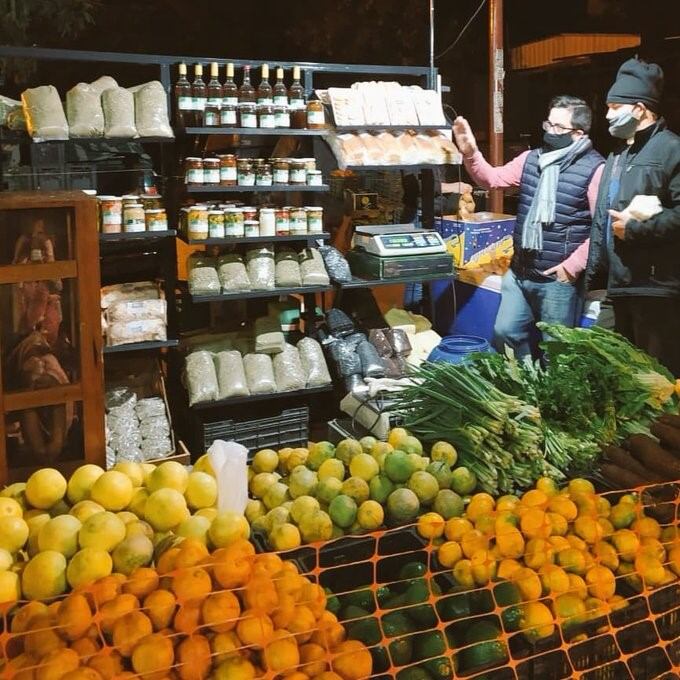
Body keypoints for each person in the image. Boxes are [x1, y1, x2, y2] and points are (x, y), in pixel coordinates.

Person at [453, 96, 604, 357]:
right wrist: (471, 153)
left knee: (557, 351)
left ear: (578, 134)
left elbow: (602, 229)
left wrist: (573, 266)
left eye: (558, 128)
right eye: (548, 124)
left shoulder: (595, 169)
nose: (549, 132)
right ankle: (524, 386)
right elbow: (493, 179)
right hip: (520, 271)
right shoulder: (531, 159)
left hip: (558, 279)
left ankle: (553, 397)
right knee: (505, 331)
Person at [580, 57, 680, 376]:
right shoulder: (619, 153)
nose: (608, 115)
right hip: (618, 284)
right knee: (606, 371)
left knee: (655, 382)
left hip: (653, 288)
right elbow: (603, 220)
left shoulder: (671, 149)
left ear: (639, 108)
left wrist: (636, 229)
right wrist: (597, 275)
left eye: (613, 106)